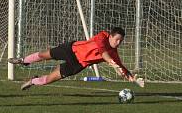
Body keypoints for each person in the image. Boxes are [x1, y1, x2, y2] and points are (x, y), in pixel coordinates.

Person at [8, 27, 144, 90]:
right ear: (110, 36)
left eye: (121, 41)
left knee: (49, 79)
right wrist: (112, 63)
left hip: (78, 64)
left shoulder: (114, 53)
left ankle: (33, 81)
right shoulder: (102, 36)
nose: (118, 43)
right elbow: (103, 53)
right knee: (44, 55)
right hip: (71, 50)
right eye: (117, 40)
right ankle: (23, 60)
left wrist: (133, 79)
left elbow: (122, 69)